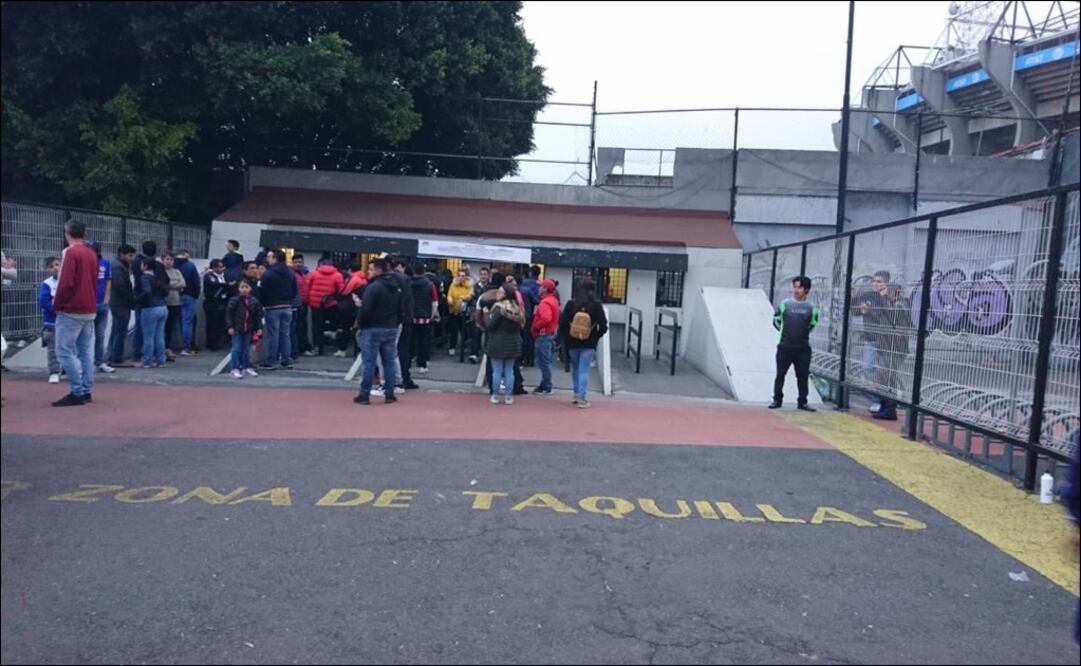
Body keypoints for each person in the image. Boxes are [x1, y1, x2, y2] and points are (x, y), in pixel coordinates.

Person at [51, 219, 99, 406]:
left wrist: (58, 304)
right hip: (89, 307)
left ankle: (77, 390)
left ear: (67, 232)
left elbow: (65, 281)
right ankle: (86, 389)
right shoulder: (91, 253)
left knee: (63, 351)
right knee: (85, 351)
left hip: (71, 309)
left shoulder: (70, 253)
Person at [354, 258, 402, 405]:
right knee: (389, 362)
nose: (368, 272)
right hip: (390, 327)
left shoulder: (374, 287)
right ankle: (389, 393)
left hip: (373, 327)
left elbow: (366, 309)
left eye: (371, 269)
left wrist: (359, 323)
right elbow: (401, 308)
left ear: (378, 270)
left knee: (369, 362)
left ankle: (364, 394)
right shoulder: (395, 287)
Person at [769, 276, 819, 412]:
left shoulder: (811, 308)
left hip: (803, 349)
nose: (796, 290)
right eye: (795, 287)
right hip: (785, 346)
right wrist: (784, 332)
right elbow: (776, 320)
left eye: (800, 287)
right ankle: (777, 400)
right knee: (780, 375)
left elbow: (812, 324)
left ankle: (802, 402)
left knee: (802, 376)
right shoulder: (785, 304)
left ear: (807, 290)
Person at [864, 278, 911, 421]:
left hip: (895, 349)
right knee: (883, 378)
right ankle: (886, 407)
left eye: (887, 291)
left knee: (884, 377)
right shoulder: (889, 304)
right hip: (886, 348)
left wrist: (883, 299)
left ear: (894, 292)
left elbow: (892, 317)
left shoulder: (901, 305)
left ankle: (890, 409)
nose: (885, 294)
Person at [558, 279, 609, 409]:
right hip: (589, 342)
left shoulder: (571, 303)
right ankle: (582, 397)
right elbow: (603, 326)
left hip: (572, 341)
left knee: (575, 368)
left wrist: (566, 337)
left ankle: (576, 394)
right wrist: (595, 337)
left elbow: (562, 322)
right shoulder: (596, 305)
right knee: (584, 369)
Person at [486, 284, 526, 405]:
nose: (497, 293)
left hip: (497, 342)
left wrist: (486, 314)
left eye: (500, 292)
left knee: (497, 371)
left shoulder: (499, 308)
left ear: (505, 295)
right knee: (510, 371)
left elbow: (490, 326)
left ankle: (495, 395)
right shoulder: (517, 308)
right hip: (513, 342)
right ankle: (509, 397)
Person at [258, 249, 296, 371]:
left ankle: (271, 360)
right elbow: (295, 291)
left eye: (269, 257)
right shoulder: (290, 273)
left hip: (272, 306)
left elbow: (262, 291)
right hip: (287, 306)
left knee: (273, 335)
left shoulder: (268, 274)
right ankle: (286, 360)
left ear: (275, 258)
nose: (267, 259)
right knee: (285, 334)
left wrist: (263, 303)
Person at [226, 279, 264, 379]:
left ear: (250, 289)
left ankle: (246, 366)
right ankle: (234, 368)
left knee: (246, 349)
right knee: (236, 349)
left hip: (248, 328)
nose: (244, 289)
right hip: (237, 328)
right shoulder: (234, 300)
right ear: (238, 289)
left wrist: (259, 328)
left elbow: (257, 316)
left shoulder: (254, 301)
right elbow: (229, 314)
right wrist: (230, 326)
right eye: (242, 287)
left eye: (246, 287)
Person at [307, 259, 345, 356]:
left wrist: (309, 299)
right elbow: (342, 290)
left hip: (315, 303)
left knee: (317, 326)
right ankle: (334, 344)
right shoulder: (337, 275)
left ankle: (317, 348)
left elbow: (308, 286)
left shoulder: (314, 274)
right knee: (333, 325)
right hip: (330, 303)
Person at [88, 242, 116, 374]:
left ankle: (99, 361)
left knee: (100, 335)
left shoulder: (105, 263)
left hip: (102, 304)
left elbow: (108, 281)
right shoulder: (85, 264)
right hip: (88, 305)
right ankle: (86, 362)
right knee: (85, 336)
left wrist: (107, 298)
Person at [138, 257, 170, 369]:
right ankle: (161, 360)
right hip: (163, 307)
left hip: (150, 308)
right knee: (160, 336)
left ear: (145, 266)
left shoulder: (145, 277)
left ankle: (147, 361)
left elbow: (147, 291)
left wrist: (137, 299)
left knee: (148, 336)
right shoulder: (159, 276)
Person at [391, 258, 418, 389]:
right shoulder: (406, 280)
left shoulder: (394, 280)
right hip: (407, 318)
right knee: (403, 349)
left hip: (397, 318)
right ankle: (404, 377)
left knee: (395, 350)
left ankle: (397, 378)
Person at [108, 245, 137, 367]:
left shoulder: (118, 265)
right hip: (120, 303)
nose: (132, 258)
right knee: (120, 331)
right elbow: (121, 286)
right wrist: (131, 300)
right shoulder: (118, 267)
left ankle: (112, 355)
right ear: (121, 254)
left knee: (116, 330)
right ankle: (117, 358)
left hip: (117, 303)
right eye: (130, 255)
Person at [531, 279, 560, 395]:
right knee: (547, 361)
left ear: (545, 289)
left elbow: (546, 318)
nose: (539, 288)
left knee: (544, 362)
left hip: (543, 335)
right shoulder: (554, 301)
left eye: (541, 286)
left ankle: (546, 386)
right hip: (550, 334)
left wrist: (535, 327)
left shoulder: (545, 303)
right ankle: (545, 384)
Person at [409, 261, 438, 375]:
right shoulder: (430, 285)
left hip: (411, 316)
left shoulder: (408, 283)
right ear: (424, 271)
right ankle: (423, 364)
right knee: (423, 341)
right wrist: (431, 315)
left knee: (410, 341)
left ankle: (408, 362)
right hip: (425, 317)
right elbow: (434, 303)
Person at [131, 240, 157, 364]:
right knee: (152, 330)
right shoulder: (155, 264)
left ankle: (138, 353)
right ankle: (153, 355)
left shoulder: (136, 262)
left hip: (139, 295)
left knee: (140, 326)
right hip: (153, 300)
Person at [37, 256, 62, 384]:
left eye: (57, 264)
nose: (55, 268)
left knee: (69, 347)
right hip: (51, 321)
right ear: (48, 270)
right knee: (53, 348)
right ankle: (54, 372)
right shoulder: (47, 283)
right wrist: (56, 310)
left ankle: (67, 369)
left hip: (68, 321)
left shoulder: (69, 281)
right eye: (51, 266)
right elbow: (43, 301)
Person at [174, 249, 201, 356]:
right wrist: (196, 294)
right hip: (189, 295)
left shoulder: (172, 265)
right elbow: (196, 282)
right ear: (185, 255)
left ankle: (169, 347)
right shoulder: (190, 266)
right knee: (187, 322)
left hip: (174, 296)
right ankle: (186, 347)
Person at [202, 259, 230, 352]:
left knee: (219, 324)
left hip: (221, 302)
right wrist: (227, 284)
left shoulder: (223, 276)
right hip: (211, 303)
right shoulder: (209, 276)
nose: (222, 269)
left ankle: (218, 342)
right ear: (214, 267)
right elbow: (215, 284)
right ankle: (211, 343)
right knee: (212, 324)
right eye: (220, 267)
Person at [162, 253, 185, 359]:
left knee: (170, 327)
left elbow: (183, 284)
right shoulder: (161, 272)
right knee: (163, 327)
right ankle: (163, 348)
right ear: (163, 260)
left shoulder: (177, 271)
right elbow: (164, 285)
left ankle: (168, 347)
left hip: (175, 302)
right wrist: (174, 285)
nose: (169, 261)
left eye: (171, 259)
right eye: (167, 259)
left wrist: (171, 285)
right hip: (164, 302)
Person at [445, 269, 474, 357]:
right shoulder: (453, 285)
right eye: (459, 275)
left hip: (464, 310)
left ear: (466, 277)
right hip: (453, 309)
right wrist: (449, 299)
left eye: (463, 276)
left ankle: (464, 346)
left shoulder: (469, 286)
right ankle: (452, 346)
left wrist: (463, 298)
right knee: (453, 329)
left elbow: (470, 295)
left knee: (463, 330)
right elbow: (449, 294)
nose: (461, 277)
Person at [291, 253, 313, 358]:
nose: (298, 264)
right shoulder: (293, 274)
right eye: (296, 262)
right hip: (297, 304)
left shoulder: (303, 274)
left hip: (304, 303)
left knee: (302, 326)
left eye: (300, 262)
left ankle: (302, 347)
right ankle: (301, 348)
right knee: (299, 327)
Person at [468, 267, 491, 363]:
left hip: (488, 313)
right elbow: (472, 299)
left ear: (489, 276)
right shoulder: (475, 286)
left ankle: (487, 354)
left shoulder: (490, 287)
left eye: (485, 274)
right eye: (481, 274)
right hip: (477, 312)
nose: (483, 276)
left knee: (488, 335)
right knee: (476, 333)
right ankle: (474, 353)